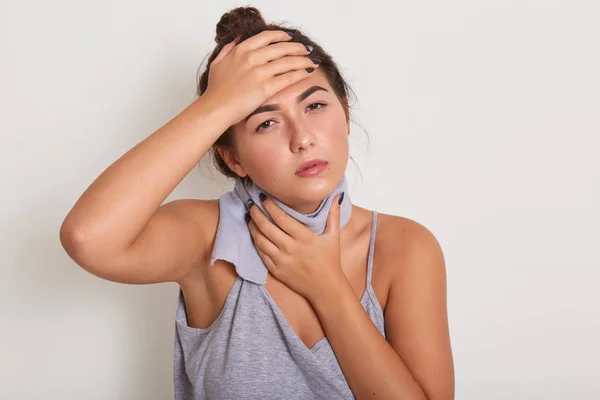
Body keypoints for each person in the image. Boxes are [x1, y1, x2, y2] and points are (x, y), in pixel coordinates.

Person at [59, 6, 454, 400]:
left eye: (314, 105)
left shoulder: (405, 247)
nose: (302, 138)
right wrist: (219, 103)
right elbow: (88, 237)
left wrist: (327, 286)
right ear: (232, 158)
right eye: (266, 122)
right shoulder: (207, 240)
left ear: (346, 114)